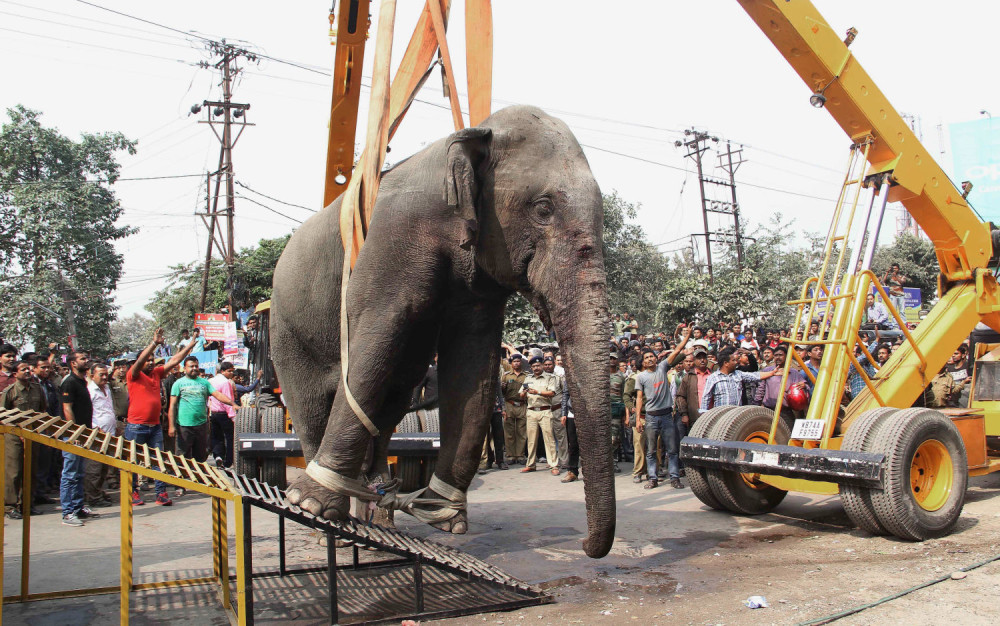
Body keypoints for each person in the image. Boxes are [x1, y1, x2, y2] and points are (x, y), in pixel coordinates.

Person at [126, 328, 197, 505]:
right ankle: (133, 492)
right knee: (133, 461)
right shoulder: (134, 375)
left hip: (154, 425)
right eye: (147, 360)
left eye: (152, 360)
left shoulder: (157, 374)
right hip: (136, 426)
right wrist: (154, 344)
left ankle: (161, 493)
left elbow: (174, 360)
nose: (150, 363)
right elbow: (140, 361)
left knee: (159, 459)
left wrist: (191, 344)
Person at [635, 325, 691, 489]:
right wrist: (638, 419)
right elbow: (639, 399)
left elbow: (678, 350)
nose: (650, 359)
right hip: (651, 417)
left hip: (667, 416)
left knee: (672, 450)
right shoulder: (641, 377)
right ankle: (652, 478)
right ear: (643, 362)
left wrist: (685, 337)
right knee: (651, 451)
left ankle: (674, 478)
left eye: (651, 356)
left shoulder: (663, 367)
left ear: (656, 358)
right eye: (646, 358)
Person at [168, 356, 237, 477]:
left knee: (200, 456)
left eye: (196, 366)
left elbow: (218, 395)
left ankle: (199, 481)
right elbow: (172, 406)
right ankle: (180, 485)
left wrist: (232, 404)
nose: (194, 368)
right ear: (185, 368)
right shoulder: (178, 384)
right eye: (191, 366)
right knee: (182, 456)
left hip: (201, 426)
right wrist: (171, 426)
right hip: (183, 426)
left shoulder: (204, 383)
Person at [2, 360, 46, 519]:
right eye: (23, 369)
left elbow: (42, 409)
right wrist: (17, 432)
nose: (27, 371)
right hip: (14, 436)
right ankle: (10, 506)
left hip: (32, 433)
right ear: (15, 374)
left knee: (31, 470)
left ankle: (27, 503)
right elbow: (3, 416)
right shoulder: (10, 392)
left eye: (28, 369)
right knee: (14, 472)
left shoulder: (37, 389)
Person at [60, 350, 98, 527]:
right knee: (70, 474)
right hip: (72, 435)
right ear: (73, 363)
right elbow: (67, 409)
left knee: (79, 473)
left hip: (83, 434)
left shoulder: (82, 381)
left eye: (86, 357)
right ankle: (67, 513)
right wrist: (75, 433)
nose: (87, 360)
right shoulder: (69, 383)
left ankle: (78, 507)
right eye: (83, 358)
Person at [701, 347, 780, 411]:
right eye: (734, 360)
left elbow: (755, 375)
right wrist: (704, 415)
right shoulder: (713, 378)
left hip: (737, 415)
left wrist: (772, 373)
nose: (736, 362)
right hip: (721, 417)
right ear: (726, 363)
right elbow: (706, 398)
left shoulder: (738, 374)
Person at [83, 362, 117, 508]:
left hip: (110, 432)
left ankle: (98, 492)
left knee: (104, 467)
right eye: (101, 375)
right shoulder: (90, 391)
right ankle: (93, 497)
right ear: (92, 375)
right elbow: (88, 413)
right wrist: (96, 429)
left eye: (106, 374)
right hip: (97, 434)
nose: (104, 377)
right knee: (94, 468)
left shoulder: (107, 388)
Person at [518, 355, 560, 474]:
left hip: (545, 410)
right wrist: (524, 393)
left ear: (542, 365)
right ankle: (531, 464)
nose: (536, 368)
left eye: (538, 365)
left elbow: (552, 393)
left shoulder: (550, 377)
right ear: (531, 367)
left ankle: (553, 465)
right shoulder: (528, 378)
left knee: (549, 439)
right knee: (531, 439)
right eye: (533, 366)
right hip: (531, 411)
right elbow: (521, 394)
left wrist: (538, 392)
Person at [753, 345, 806, 417]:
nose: (778, 357)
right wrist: (757, 404)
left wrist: (804, 385)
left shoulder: (793, 372)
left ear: (786, 356)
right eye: (776, 355)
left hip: (786, 411)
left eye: (780, 355)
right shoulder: (767, 371)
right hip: (769, 409)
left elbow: (804, 386)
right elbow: (761, 389)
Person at [208, 362, 239, 468]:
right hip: (224, 414)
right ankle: (228, 461)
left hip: (214, 413)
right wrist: (233, 416)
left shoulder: (210, 381)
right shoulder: (226, 383)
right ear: (222, 371)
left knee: (217, 437)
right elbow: (228, 399)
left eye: (232, 371)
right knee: (230, 438)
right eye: (229, 371)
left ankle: (218, 456)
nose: (232, 373)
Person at [543, 356, 570, 475]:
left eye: (550, 364)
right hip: (545, 410)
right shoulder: (540, 379)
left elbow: (565, 394)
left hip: (557, 410)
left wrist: (564, 411)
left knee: (561, 436)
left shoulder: (559, 378)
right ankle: (552, 460)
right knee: (548, 436)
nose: (548, 366)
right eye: (546, 364)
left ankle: (564, 460)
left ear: (554, 364)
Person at [500, 353, 527, 464]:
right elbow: (501, 393)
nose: (516, 363)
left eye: (518, 361)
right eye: (514, 361)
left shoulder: (526, 376)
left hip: (522, 405)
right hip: (509, 404)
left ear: (521, 362)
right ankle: (510, 455)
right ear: (511, 363)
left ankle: (520, 455)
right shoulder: (506, 376)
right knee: (509, 432)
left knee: (521, 431)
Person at [609, 353, 626, 472]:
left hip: (616, 409)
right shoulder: (601, 375)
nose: (611, 361)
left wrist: (625, 414)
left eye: (614, 358)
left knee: (614, 439)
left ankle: (613, 462)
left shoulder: (621, 376)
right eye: (610, 358)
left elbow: (624, 395)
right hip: (603, 410)